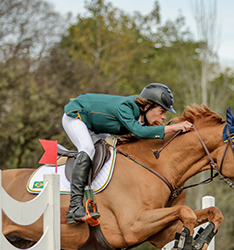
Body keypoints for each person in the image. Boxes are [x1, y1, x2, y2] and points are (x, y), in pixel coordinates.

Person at [62, 83, 193, 224]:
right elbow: (140, 132)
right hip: (76, 116)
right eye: (161, 111)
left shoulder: (142, 115)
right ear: (147, 106)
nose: (163, 117)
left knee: (111, 151)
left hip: (94, 126)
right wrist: (175, 127)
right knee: (88, 148)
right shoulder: (125, 108)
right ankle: (74, 207)